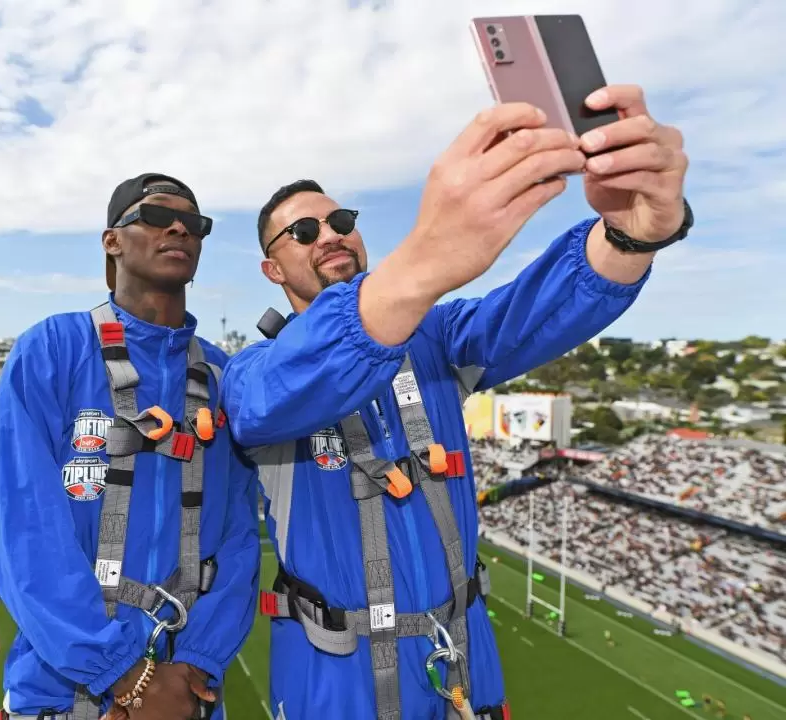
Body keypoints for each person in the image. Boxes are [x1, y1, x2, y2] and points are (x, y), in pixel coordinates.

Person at [223, 86, 689, 720]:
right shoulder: (252, 372)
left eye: (342, 221)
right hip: (335, 681)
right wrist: (428, 258)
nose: (330, 235)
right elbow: (275, 395)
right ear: (271, 270)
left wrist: (632, 234)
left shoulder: (436, 338)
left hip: (464, 665)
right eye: (303, 232)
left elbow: (535, 309)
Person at [0, 173, 260, 720]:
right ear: (112, 240)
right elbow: (23, 528)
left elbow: (237, 535)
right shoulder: (52, 349)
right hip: (65, 697)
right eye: (157, 216)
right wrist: (124, 675)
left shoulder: (224, 374)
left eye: (194, 222)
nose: (180, 226)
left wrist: (198, 662)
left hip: (191, 695)